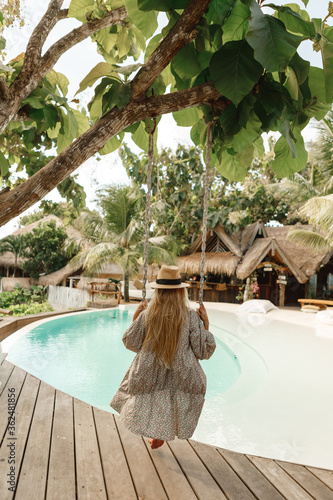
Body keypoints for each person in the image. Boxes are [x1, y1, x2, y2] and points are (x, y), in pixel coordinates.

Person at [110, 265, 216, 449]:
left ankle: (157, 432)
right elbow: (203, 351)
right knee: (171, 394)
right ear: (180, 292)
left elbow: (131, 343)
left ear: (158, 291)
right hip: (182, 375)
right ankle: (161, 433)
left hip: (148, 373)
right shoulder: (190, 316)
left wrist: (137, 316)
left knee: (155, 393)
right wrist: (205, 323)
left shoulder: (149, 314)